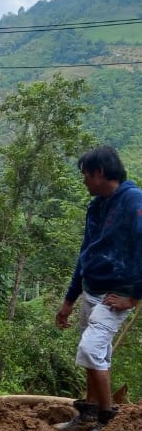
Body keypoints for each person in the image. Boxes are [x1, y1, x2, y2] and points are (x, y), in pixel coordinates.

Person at [54, 146, 142, 431]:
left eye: (85, 175)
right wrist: (70, 298)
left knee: (91, 350)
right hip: (92, 289)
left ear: (100, 173)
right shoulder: (97, 205)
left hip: (115, 295)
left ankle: (107, 417)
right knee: (96, 356)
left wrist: (135, 297)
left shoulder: (133, 202)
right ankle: (88, 417)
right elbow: (86, 253)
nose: (83, 181)